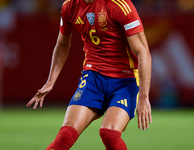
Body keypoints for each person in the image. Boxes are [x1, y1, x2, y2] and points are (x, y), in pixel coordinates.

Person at [26, 0, 152, 149]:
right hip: (93, 77)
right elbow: (62, 44)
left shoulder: (120, 5)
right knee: (66, 135)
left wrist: (144, 97)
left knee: (109, 134)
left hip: (125, 79)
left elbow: (143, 52)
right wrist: (51, 81)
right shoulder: (70, 6)